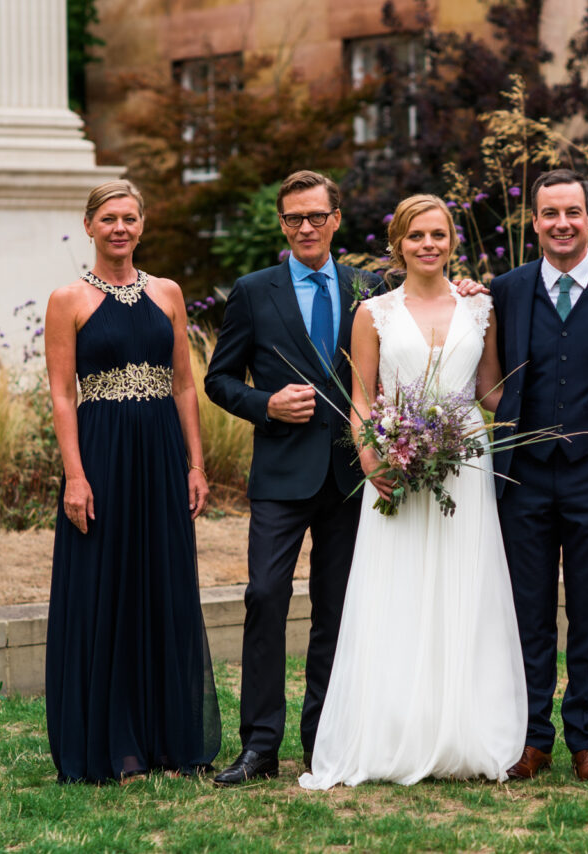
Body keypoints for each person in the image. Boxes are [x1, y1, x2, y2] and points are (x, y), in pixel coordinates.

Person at [299, 194, 526, 789]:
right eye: (417, 235)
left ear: (454, 241)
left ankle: (462, 729)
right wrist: (374, 463)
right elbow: (363, 399)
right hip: (393, 469)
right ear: (398, 244)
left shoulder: (481, 308)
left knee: (462, 588)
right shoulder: (373, 312)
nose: (429, 245)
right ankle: (394, 728)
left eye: (440, 235)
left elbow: (489, 390)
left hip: (464, 467)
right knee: (395, 589)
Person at [204, 170, 380, 785]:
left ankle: (323, 741)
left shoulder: (371, 288)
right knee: (265, 598)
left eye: (315, 216)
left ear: (336, 219)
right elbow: (218, 379)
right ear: (282, 225)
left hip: (349, 475)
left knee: (336, 609)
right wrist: (266, 404)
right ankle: (259, 746)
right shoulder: (254, 291)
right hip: (280, 473)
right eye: (292, 219)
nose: (304, 228)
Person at [44, 179, 220, 784]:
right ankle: (114, 745)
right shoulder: (67, 300)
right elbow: (62, 395)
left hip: (161, 452)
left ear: (142, 225)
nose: (120, 228)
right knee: (104, 588)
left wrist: (195, 464)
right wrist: (74, 475)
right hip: (101, 454)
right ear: (89, 225)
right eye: (109, 219)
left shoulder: (168, 293)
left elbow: (184, 385)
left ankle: (169, 740)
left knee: (163, 584)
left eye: (130, 218)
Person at [489, 169, 588, 781]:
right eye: (549, 213)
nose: (562, 224)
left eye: (572, 213)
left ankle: (587, 738)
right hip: (522, 475)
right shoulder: (506, 289)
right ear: (534, 221)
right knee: (527, 610)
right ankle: (532, 737)